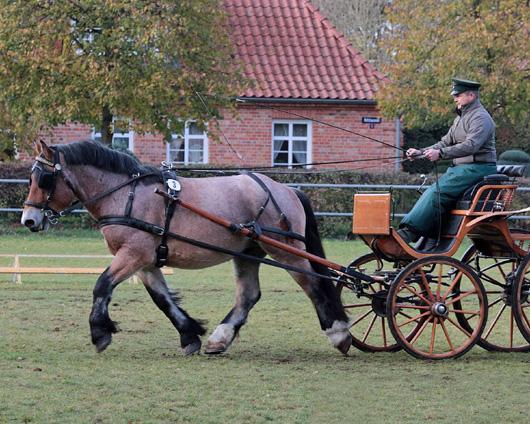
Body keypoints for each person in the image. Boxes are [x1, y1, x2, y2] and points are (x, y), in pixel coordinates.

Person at [398, 78, 497, 244]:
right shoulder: (460, 118)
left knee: (437, 193)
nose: (455, 99)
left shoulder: (481, 118)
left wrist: (440, 154)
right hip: (461, 170)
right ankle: (427, 236)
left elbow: (471, 146)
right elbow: (444, 143)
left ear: (471, 96)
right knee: (431, 191)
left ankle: (408, 234)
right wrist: (420, 153)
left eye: (458, 95)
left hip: (478, 169)